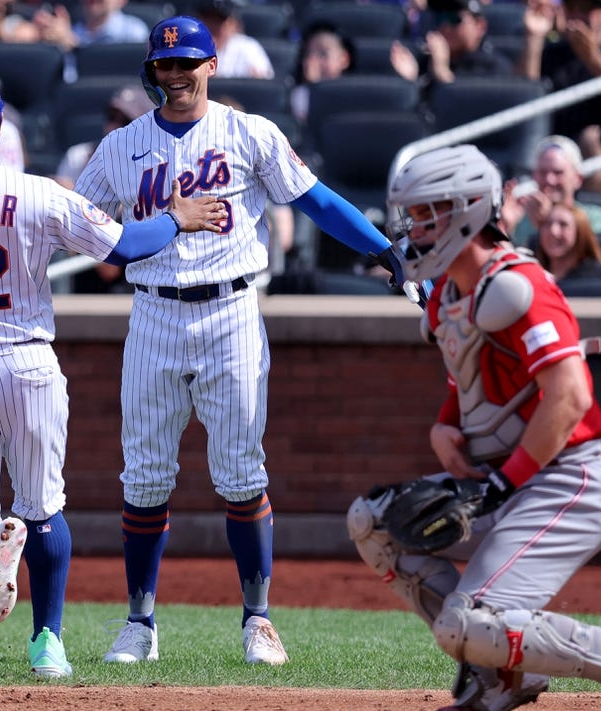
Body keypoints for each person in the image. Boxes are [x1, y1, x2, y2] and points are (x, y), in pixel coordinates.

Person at [0, 69, 227, 678]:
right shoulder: (38, 190)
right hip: (28, 363)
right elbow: (126, 248)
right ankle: (47, 645)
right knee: (44, 510)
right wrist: (177, 218)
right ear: (0, 125)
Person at [72, 15, 407, 667]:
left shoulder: (249, 132)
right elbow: (80, 225)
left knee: (241, 472)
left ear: (211, 65)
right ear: (151, 71)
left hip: (230, 309)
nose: (175, 76)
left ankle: (258, 617)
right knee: (143, 477)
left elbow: (312, 199)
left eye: (187, 64)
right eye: (164, 66)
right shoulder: (120, 147)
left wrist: (377, 244)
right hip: (152, 311)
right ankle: (140, 622)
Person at [346, 143, 601, 711]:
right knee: (372, 521)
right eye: (412, 216)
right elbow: (468, 374)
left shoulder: (517, 284)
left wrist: (503, 483)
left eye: (427, 214)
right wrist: (446, 425)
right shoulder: (449, 289)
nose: (414, 229)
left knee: (469, 623)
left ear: (467, 210)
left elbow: (569, 395)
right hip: (507, 479)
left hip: (572, 477)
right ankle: (502, 674)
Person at [55, 83, 155, 294]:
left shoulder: (154, 159)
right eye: (111, 117)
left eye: (124, 120)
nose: (113, 126)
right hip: (86, 247)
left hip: (134, 250)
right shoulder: (81, 154)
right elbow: (61, 195)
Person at [516, 0, 601, 143]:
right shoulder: (554, 53)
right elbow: (523, 97)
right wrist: (534, 37)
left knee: (592, 138)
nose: (578, 15)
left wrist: (592, 57)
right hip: (554, 147)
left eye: (586, 9)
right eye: (571, 7)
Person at [506, 135, 601, 248]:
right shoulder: (521, 220)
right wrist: (505, 227)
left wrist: (546, 222)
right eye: (543, 172)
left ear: (578, 179)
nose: (549, 180)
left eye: (558, 172)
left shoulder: (597, 219)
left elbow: (588, 258)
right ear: (534, 176)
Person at [390, 0, 513, 89]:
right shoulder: (423, 62)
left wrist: (442, 72)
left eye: (453, 18)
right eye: (438, 17)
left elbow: (476, 113)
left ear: (480, 26)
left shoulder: (495, 67)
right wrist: (411, 83)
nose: (444, 25)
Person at [290, 22, 355, 126]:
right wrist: (315, 88)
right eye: (308, 53)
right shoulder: (301, 94)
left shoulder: (355, 93)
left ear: (344, 59)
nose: (313, 60)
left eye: (323, 54)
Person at [193, 0, 274, 79]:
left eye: (219, 20)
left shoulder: (248, 48)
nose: (212, 25)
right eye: (208, 18)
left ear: (232, 24)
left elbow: (265, 83)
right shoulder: (189, 48)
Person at [536, 201, 601, 279]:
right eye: (547, 223)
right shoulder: (532, 272)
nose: (553, 232)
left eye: (563, 224)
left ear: (580, 233)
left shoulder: (592, 277)